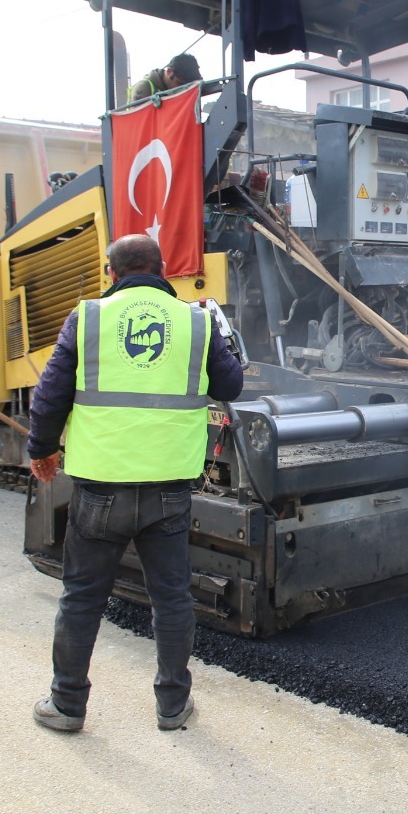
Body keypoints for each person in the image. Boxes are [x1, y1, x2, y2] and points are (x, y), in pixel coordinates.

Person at [26, 233, 243, 733]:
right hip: (169, 487)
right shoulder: (195, 320)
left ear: (111, 273)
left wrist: (42, 450)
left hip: (101, 486)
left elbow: (50, 393)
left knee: (82, 596)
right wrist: (221, 334)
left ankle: (67, 706)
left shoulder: (89, 317)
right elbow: (231, 386)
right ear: (164, 269)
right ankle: (172, 705)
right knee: (171, 598)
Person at [129, 53, 201, 103]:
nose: (181, 89)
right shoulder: (144, 88)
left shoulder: (170, 91)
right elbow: (140, 122)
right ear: (169, 71)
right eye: (179, 83)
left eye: (186, 87)